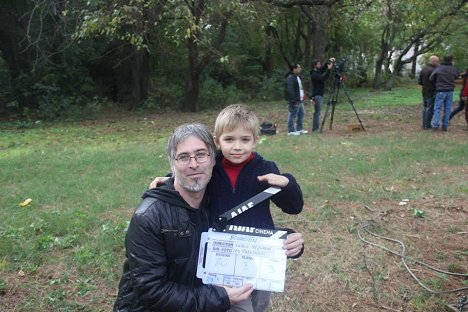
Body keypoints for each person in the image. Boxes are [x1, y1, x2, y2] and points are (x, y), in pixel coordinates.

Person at [150, 104, 305, 312]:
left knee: (259, 304)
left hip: (258, 254)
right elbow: (190, 177)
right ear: (217, 141)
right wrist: (169, 180)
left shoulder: (266, 168)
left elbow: (294, 207)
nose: (237, 147)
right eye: (229, 139)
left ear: (255, 140)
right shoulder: (211, 167)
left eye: (245, 140)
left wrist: (287, 183)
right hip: (222, 256)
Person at [113, 123, 254, 312]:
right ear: (172, 164)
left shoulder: (217, 203)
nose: (193, 164)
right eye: (183, 157)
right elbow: (152, 291)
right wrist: (220, 298)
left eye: (201, 155)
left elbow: (250, 228)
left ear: (213, 159)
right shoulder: (148, 217)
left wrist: (286, 240)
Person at [429, 55, 459, 131]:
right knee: (448, 108)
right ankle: (445, 125)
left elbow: (431, 77)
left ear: (443, 60)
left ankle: (435, 125)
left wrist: (437, 81)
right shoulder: (453, 69)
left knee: (437, 108)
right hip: (450, 90)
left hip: (440, 90)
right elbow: (457, 76)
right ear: (451, 60)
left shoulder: (439, 68)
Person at [310, 57, 335, 132]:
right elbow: (323, 78)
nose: (320, 65)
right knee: (317, 112)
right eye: (318, 64)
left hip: (319, 95)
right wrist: (329, 69)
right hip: (317, 95)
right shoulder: (314, 74)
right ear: (315, 66)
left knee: (317, 112)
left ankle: (316, 128)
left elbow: (324, 68)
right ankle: (315, 128)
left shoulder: (318, 71)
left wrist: (330, 60)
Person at [285, 63, 308, 135]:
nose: (300, 69)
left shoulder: (298, 77)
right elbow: (290, 90)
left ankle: (299, 129)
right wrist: (293, 100)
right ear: (294, 69)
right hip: (295, 101)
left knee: (301, 114)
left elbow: (301, 88)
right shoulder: (290, 78)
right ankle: (291, 130)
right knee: (292, 114)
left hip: (300, 100)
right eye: (299, 67)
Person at [418, 55, 439, 129]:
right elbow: (436, 82)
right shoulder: (434, 70)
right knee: (430, 108)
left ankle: (424, 124)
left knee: (425, 107)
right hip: (432, 91)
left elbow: (419, 81)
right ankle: (427, 125)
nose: (438, 63)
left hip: (424, 91)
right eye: (437, 61)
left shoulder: (423, 69)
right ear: (434, 61)